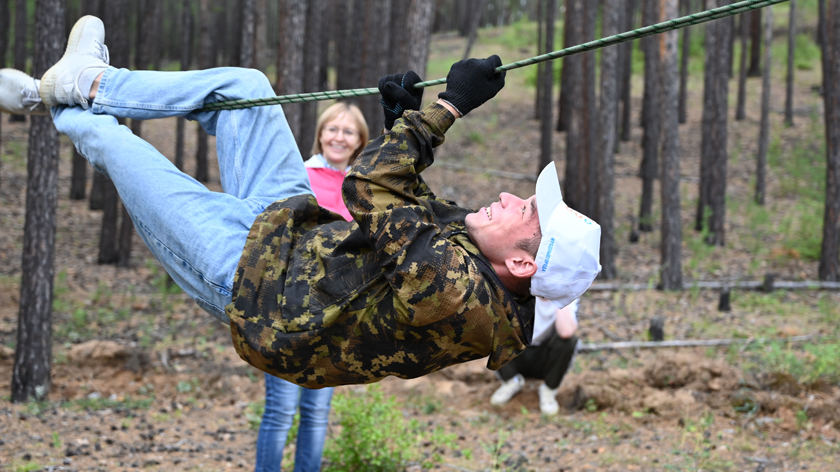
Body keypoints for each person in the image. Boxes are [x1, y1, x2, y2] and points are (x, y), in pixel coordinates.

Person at [1, 16, 601, 389]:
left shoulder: (462, 301)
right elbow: (408, 209)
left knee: (122, 150)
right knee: (246, 88)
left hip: (249, 284)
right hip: (292, 232)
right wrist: (400, 120)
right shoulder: (471, 260)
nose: (508, 196)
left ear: (522, 264)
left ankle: (47, 96)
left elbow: (366, 189)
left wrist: (447, 110)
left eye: (525, 210)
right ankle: (90, 81)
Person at [256, 103, 368, 472]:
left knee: (317, 412)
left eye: (348, 131)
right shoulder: (301, 175)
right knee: (281, 409)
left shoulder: (362, 187)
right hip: (289, 309)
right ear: (320, 134)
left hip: (334, 312)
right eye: (332, 129)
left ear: (359, 141)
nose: (339, 137)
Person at [489, 297, 579, 415]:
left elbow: (566, 332)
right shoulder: (519, 290)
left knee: (568, 342)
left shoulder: (566, 296)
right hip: (516, 355)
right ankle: (511, 381)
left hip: (544, 359)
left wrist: (560, 297)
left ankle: (549, 389)